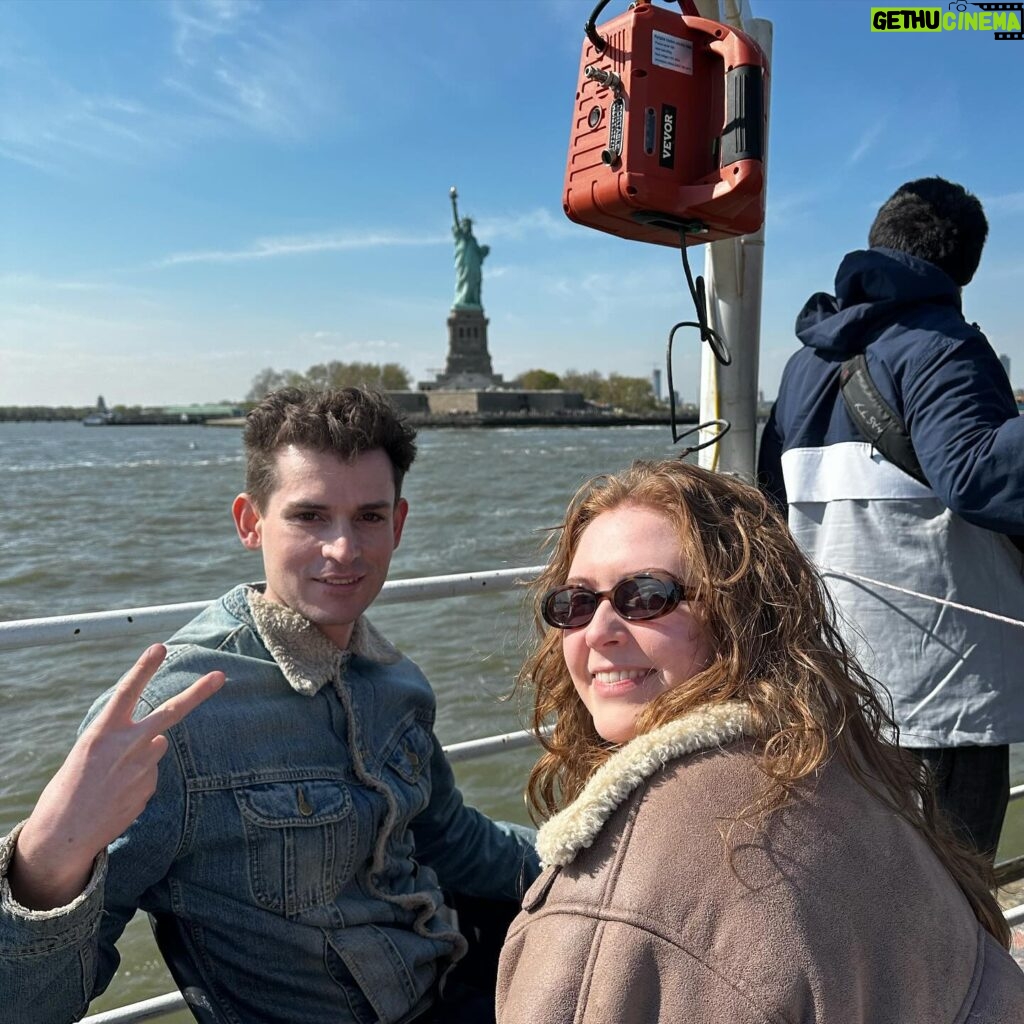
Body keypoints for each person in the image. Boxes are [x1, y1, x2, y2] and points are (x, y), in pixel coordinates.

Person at [0, 386, 538, 1024]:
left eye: (368, 516)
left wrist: (592, 848)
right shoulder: (175, 716)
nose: (344, 549)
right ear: (250, 522)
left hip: (459, 979)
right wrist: (42, 869)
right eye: (309, 516)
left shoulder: (398, 684)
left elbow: (453, 841)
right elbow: (31, 1005)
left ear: (397, 523)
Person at [496, 459, 1024, 1023]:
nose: (598, 631)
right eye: (574, 603)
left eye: (646, 596)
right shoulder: (839, 762)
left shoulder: (608, 905)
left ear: (739, 613)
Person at [756, 176, 1024, 861]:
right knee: (953, 904)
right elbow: (977, 478)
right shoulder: (944, 346)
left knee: (866, 892)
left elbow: (769, 504)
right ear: (964, 266)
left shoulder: (802, 366)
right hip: (946, 694)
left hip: (840, 686)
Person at [450, 187, 489, 309]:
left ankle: (473, 302)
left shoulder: (473, 240)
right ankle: (463, 301)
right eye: (465, 225)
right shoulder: (460, 237)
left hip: (474, 268)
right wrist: (454, 203)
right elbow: (456, 221)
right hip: (464, 267)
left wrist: (484, 251)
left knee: (474, 283)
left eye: (468, 225)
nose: (466, 227)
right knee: (464, 282)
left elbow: (479, 254)